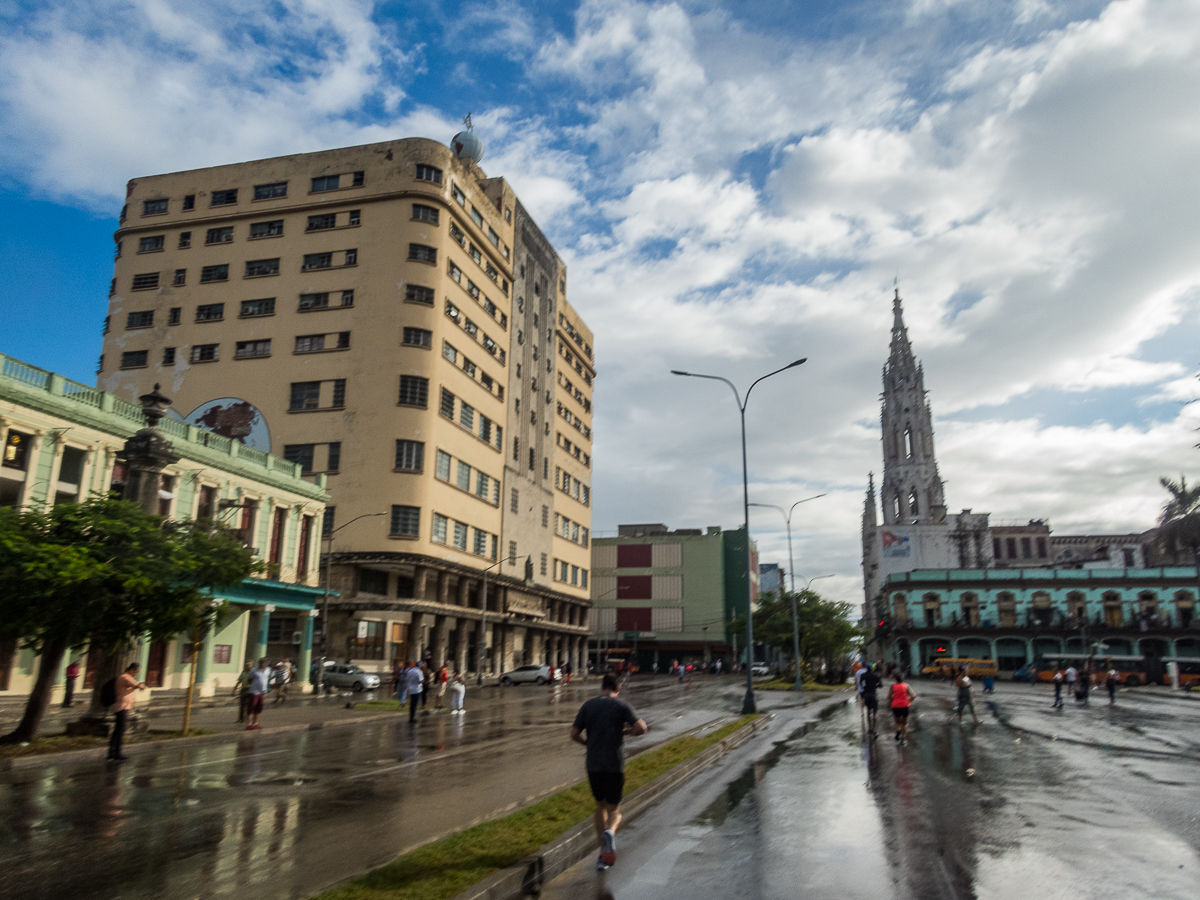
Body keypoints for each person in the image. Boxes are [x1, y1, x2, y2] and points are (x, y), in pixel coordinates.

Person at [570, 673, 648, 871]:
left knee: (600, 806)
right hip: (614, 763)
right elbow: (641, 728)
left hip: (593, 763)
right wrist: (627, 732)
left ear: (602, 687)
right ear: (617, 688)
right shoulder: (621, 706)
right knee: (615, 810)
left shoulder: (588, 705)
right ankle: (611, 833)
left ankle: (601, 854)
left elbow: (573, 734)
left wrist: (588, 743)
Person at [107, 662, 146, 760]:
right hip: (121, 707)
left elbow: (133, 685)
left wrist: (138, 685)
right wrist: (140, 686)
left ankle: (113, 752)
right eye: (136, 672)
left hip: (124, 707)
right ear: (132, 669)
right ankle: (116, 753)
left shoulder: (127, 677)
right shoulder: (125, 677)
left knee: (119, 730)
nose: (136, 674)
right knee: (120, 730)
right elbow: (134, 684)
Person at [246, 658, 271, 729]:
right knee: (251, 708)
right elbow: (249, 680)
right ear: (259, 663)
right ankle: (249, 724)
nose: (263, 664)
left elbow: (267, 679)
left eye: (264, 663)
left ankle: (255, 723)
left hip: (262, 692)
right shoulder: (254, 670)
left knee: (259, 708)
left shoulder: (267, 670)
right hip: (254, 692)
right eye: (261, 663)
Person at [890, 673, 915, 744]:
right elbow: (913, 695)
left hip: (895, 706)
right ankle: (903, 739)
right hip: (905, 706)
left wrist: (893, 700)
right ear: (903, 679)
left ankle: (898, 730)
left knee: (898, 722)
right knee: (904, 723)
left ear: (895, 679)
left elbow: (889, 696)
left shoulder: (893, 686)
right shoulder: (907, 686)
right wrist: (908, 700)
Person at [861, 663, 882, 734]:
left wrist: (864, 688)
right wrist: (876, 685)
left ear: (866, 668)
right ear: (872, 669)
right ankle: (874, 729)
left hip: (867, 695)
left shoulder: (863, 675)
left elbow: (861, 683)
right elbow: (881, 685)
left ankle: (869, 728)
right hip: (874, 695)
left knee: (868, 712)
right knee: (875, 713)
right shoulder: (875, 676)